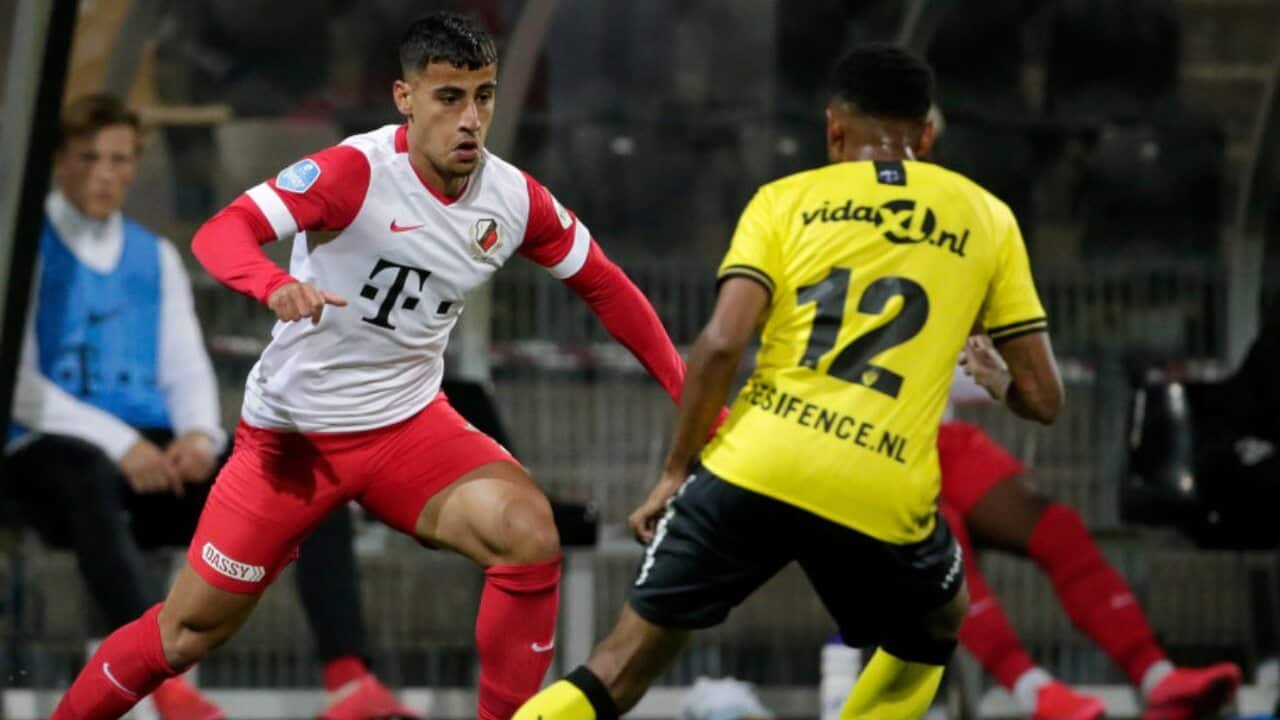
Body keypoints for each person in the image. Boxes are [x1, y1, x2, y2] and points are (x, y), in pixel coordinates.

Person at [49, 12, 692, 720]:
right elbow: (222, 231)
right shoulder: (352, 173)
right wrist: (272, 284)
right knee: (187, 633)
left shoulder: (513, 198)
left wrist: (697, 403)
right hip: (293, 444)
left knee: (528, 532)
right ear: (404, 98)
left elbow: (606, 286)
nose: (471, 118)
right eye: (449, 97)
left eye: (484, 96)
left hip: (408, 429)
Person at [514, 43, 1063, 720]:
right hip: (879, 479)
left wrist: (676, 470)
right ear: (926, 136)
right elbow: (1045, 399)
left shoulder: (784, 200)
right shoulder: (987, 217)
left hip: (757, 462)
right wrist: (997, 380)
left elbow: (720, 344)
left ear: (834, 128)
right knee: (939, 617)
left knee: (619, 666)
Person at [6, 93, 421, 720]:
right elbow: (18, 383)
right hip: (51, 457)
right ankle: (162, 687)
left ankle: (348, 679)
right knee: (85, 473)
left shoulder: (156, 255)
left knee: (306, 474)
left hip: (152, 461)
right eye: (89, 158)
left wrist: (199, 435)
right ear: (60, 162)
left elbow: (185, 364)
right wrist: (121, 444)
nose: (105, 174)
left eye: (120, 160)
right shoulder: (23, 248)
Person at [941, 346, 1242, 720]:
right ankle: (1034, 693)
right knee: (945, 546)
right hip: (879, 452)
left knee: (1058, 529)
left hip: (937, 437)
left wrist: (1003, 366)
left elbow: (971, 371)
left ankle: (1158, 678)